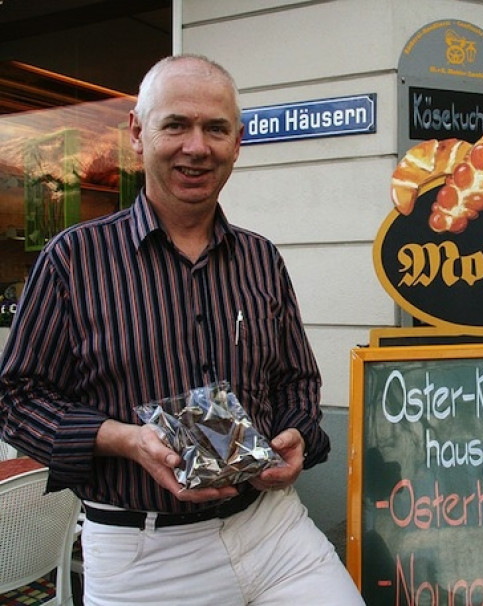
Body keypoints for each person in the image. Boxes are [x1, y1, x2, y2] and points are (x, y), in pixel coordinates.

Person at [0, 54, 365, 605]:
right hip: (145, 556)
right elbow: (16, 399)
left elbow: (296, 381)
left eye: (215, 128)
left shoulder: (261, 259)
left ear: (237, 142)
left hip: (274, 531)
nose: (197, 147)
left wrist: (297, 438)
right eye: (176, 124)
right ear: (137, 134)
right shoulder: (74, 259)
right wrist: (125, 440)